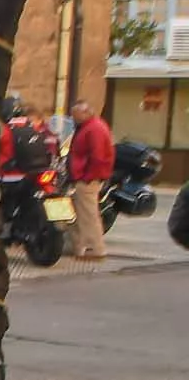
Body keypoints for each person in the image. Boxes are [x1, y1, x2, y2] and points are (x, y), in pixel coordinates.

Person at [67, 97, 114, 260]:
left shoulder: (94, 129)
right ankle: (79, 246)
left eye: (75, 114)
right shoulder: (88, 127)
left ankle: (95, 249)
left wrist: (88, 177)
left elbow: (98, 157)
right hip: (81, 177)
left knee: (88, 214)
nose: (73, 118)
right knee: (77, 214)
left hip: (87, 179)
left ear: (85, 112)